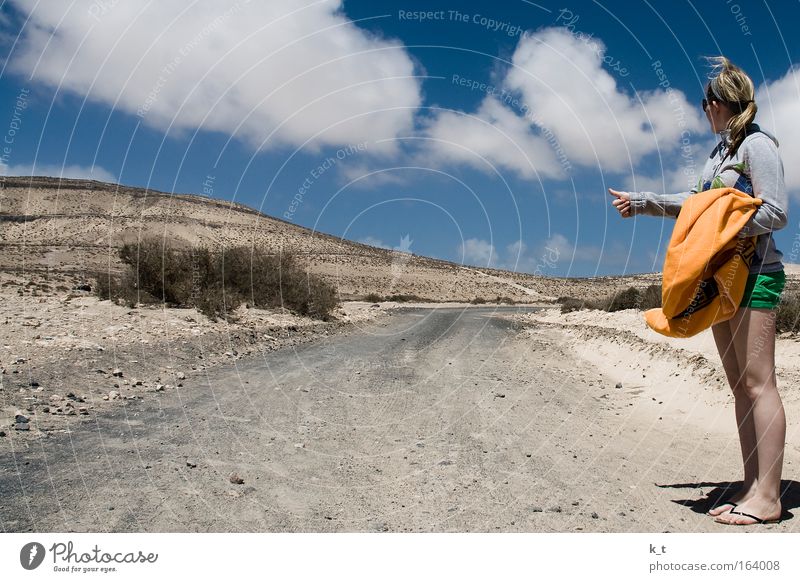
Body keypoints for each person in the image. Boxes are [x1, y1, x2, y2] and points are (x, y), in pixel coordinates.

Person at [608, 56, 789, 526]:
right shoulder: (719, 155)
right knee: (739, 386)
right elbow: (696, 207)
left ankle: (769, 497)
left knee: (758, 382)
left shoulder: (757, 146)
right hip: (720, 280)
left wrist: (723, 225)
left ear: (720, 103)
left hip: (755, 275)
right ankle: (751, 485)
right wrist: (645, 203)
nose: (702, 109)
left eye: (704, 101)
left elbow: (777, 211)